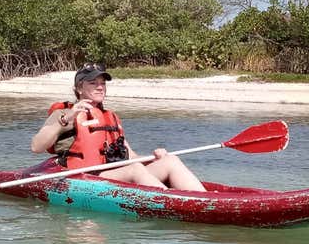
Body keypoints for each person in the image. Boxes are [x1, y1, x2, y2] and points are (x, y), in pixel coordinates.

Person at [31, 62, 207, 192]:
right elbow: (37, 146)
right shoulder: (65, 114)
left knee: (170, 160)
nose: (100, 87)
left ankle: (204, 199)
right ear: (79, 88)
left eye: (103, 83)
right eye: (93, 83)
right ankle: (174, 201)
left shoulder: (110, 117)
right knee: (135, 170)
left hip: (115, 175)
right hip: (84, 179)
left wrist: (153, 159)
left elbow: (131, 156)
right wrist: (66, 117)